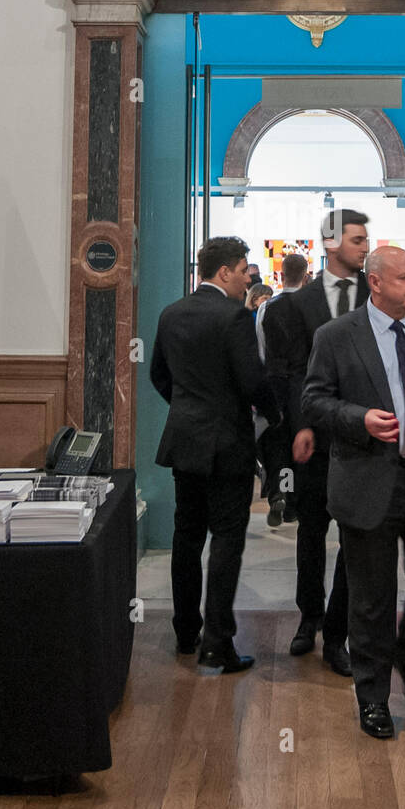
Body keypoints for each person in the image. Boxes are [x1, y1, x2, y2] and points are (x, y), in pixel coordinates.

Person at [301, 245, 405, 739]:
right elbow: (313, 400)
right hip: (368, 479)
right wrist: (359, 420)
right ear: (375, 283)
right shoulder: (336, 337)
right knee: (372, 599)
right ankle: (372, 699)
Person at [150, 236, 280, 673]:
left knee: (186, 538)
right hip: (228, 444)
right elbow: (252, 381)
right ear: (223, 272)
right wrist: (276, 416)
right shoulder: (234, 317)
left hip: (185, 441)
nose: (249, 278)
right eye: (245, 270)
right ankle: (217, 643)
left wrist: (188, 409)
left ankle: (186, 631)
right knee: (227, 540)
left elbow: (158, 375)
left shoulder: (171, 314)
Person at [262, 210, 371, 670]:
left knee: (356, 539)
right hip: (314, 440)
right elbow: (286, 374)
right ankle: (309, 617)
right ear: (330, 243)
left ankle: (339, 634)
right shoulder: (292, 306)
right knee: (311, 531)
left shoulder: (378, 295)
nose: (366, 247)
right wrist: (302, 424)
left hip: (366, 436)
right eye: (357, 239)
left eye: (367, 239)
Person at [259, 252, 308, 528]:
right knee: (301, 440)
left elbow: (261, 348)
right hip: (303, 383)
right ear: (305, 274)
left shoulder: (268, 307)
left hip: (276, 382)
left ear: (281, 274)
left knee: (277, 440)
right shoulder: (310, 308)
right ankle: (295, 504)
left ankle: (280, 491)